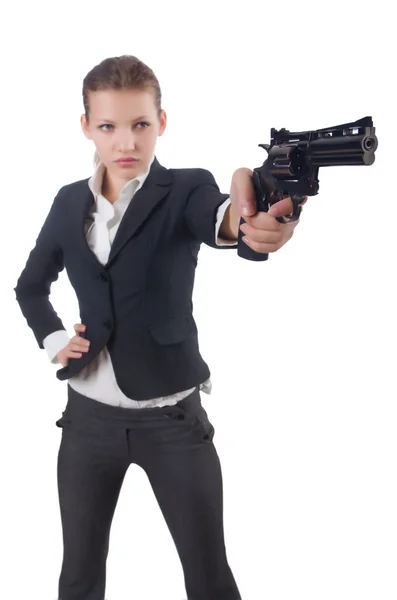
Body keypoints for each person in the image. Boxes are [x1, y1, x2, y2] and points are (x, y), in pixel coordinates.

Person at [14, 55, 301, 600]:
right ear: (86, 128)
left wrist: (259, 218)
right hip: (86, 424)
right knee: (78, 575)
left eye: (140, 124)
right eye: (108, 126)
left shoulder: (186, 189)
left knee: (208, 574)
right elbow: (30, 287)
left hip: (172, 421)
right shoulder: (68, 202)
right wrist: (55, 340)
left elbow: (224, 219)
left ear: (161, 122)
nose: (126, 141)